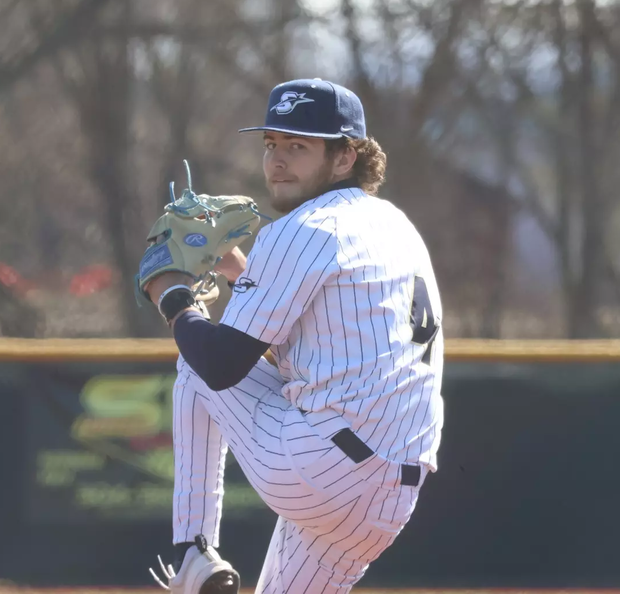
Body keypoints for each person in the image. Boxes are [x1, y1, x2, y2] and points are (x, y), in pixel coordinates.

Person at [141, 78, 444, 593]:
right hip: (391, 495)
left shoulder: (302, 228)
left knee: (195, 367)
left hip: (324, 469)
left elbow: (219, 365)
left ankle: (192, 551)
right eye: (271, 144)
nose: (278, 160)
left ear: (347, 156)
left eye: (299, 146)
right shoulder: (393, 225)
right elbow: (315, 338)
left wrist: (170, 294)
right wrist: (239, 270)